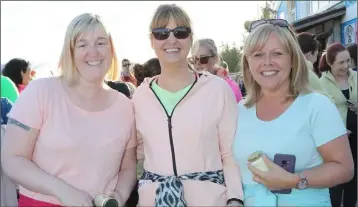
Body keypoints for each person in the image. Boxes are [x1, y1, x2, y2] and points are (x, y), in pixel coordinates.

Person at [1, 13, 137, 207]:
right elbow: (12, 159)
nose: (93, 52)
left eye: (100, 43)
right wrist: (62, 190)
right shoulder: (41, 92)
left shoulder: (125, 106)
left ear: (111, 49)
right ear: (70, 52)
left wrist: (119, 197)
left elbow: (128, 166)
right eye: (82, 45)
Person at [233, 19, 354, 206]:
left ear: (292, 59)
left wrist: (294, 180)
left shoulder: (317, 106)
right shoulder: (238, 111)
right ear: (247, 62)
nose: (267, 63)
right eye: (258, 54)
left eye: (277, 53)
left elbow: (345, 169)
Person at [132, 4, 244, 206]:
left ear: (190, 38)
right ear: (151, 40)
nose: (171, 39)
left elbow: (229, 154)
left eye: (180, 32)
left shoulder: (218, 90)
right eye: (161, 33)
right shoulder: (140, 97)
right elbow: (134, 154)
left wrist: (235, 199)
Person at [319, 43, 357, 207]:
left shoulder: (355, 77)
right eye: (341, 62)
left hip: (356, 135)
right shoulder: (321, 83)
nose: (346, 66)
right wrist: (338, 130)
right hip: (336, 139)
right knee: (336, 181)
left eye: (348, 61)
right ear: (330, 63)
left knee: (354, 179)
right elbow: (320, 114)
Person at [191, 39, 243, 103]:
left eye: (203, 59)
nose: (197, 64)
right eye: (194, 59)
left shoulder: (230, 88)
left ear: (215, 58)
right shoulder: (187, 87)